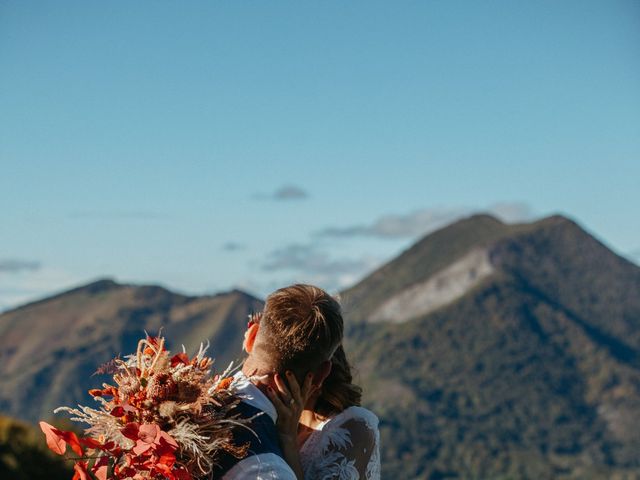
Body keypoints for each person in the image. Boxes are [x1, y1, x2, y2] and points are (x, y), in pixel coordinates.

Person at [216, 284, 380, 480]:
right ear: (321, 374)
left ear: (251, 337)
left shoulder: (353, 428)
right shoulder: (266, 462)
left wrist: (287, 440)